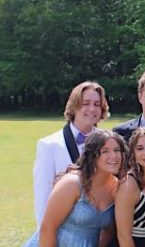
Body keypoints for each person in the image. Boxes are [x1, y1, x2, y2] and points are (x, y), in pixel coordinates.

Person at [33, 81, 110, 226]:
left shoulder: (109, 143)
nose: (92, 109)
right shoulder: (49, 145)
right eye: (86, 103)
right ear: (74, 106)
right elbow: (42, 197)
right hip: (62, 231)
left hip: (99, 232)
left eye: (97, 104)